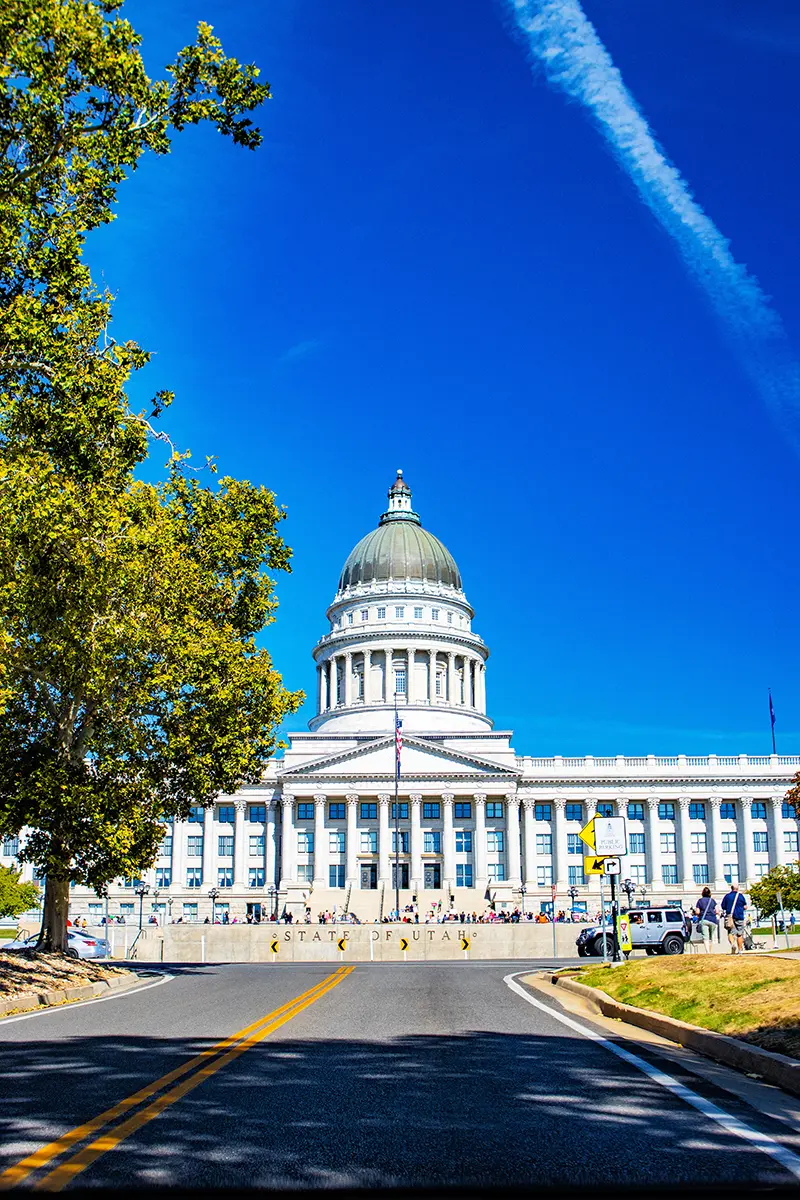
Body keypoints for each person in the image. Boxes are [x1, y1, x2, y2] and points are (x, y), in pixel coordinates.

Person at [720, 882, 747, 954]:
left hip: (730, 917)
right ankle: (740, 950)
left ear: (731, 888)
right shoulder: (741, 896)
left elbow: (723, 906)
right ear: (737, 889)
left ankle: (732, 944)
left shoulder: (727, 896)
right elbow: (745, 906)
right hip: (739, 916)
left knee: (730, 932)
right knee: (739, 934)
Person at [693, 886, 718, 954]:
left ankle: (708, 951)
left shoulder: (700, 901)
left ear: (702, 893)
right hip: (713, 920)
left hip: (704, 919)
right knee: (710, 937)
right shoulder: (712, 900)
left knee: (705, 937)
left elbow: (697, 912)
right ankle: (710, 950)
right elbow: (717, 911)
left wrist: (697, 913)